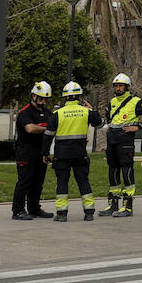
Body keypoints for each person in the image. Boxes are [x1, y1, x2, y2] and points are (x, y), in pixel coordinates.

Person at [100, 72, 142, 218]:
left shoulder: (136, 101)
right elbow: (110, 121)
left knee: (126, 171)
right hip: (112, 140)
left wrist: (139, 127)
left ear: (127, 87)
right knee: (112, 171)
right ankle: (113, 205)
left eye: (121, 86)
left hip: (125, 141)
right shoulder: (112, 102)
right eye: (116, 86)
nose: (118, 88)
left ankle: (127, 206)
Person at [43, 81, 101, 221]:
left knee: (62, 182)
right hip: (80, 153)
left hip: (62, 154)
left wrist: (45, 153)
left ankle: (62, 214)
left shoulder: (58, 114)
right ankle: (89, 212)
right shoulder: (86, 112)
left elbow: (48, 136)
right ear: (79, 96)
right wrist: (92, 110)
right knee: (83, 181)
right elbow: (99, 124)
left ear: (65, 97)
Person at [11, 81, 54, 220]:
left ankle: (34, 208)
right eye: (41, 98)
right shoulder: (25, 112)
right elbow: (30, 128)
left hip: (41, 151)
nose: (43, 101)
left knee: (38, 182)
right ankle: (17, 210)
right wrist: (47, 129)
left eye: (45, 99)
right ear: (34, 96)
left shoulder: (48, 113)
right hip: (26, 150)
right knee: (24, 181)